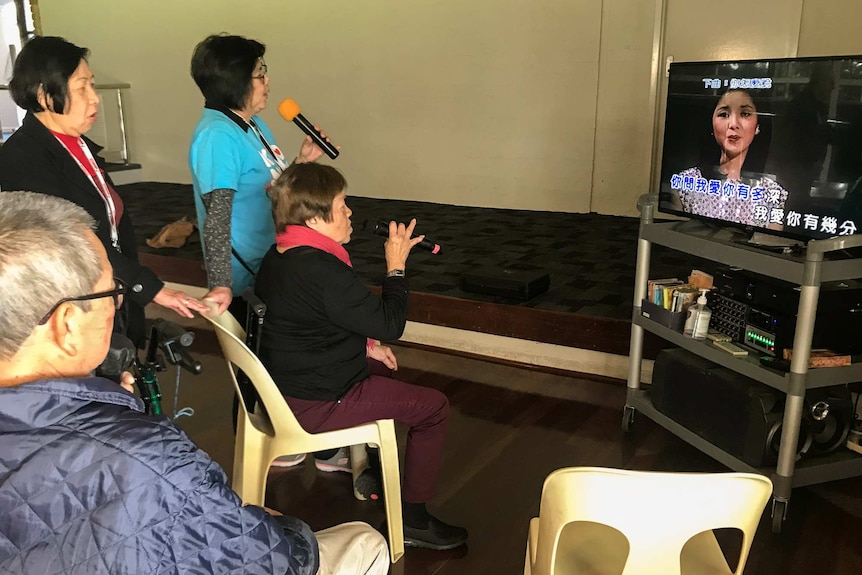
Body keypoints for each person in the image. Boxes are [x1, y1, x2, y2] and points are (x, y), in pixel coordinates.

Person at [0, 191, 389, 575]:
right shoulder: (145, 456)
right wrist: (284, 527)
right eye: (114, 293)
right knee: (365, 540)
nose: (118, 304)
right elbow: (269, 558)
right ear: (67, 325)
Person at [255, 163, 469, 551]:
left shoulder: (282, 254)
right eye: (342, 206)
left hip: (289, 381)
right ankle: (413, 520)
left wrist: (367, 345)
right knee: (433, 407)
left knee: (382, 361)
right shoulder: (322, 271)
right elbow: (390, 323)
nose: (350, 212)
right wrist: (397, 267)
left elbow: (310, 319)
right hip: (317, 399)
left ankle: (374, 468)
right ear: (317, 218)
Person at [0, 36, 209, 347]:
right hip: (71, 314)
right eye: (82, 87)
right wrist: (147, 287)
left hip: (109, 293)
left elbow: (109, 222)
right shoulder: (24, 156)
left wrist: (123, 283)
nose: (95, 98)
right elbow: (70, 239)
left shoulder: (78, 144)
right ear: (45, 96)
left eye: (92, 85)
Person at [188, 34, 330, 317]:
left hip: (271, 264)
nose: (267, 82)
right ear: (235, 81)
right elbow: (217, 216)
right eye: (259, 74)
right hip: (245, 282)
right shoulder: (217, 136)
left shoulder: (253, 124)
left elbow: (270, 188)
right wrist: (221, 284)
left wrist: (302, 162)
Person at [668, 88, 789, 230]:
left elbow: (770, 246)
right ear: (712, 124)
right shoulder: (686, 183)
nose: (733, 124)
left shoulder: (772, 192)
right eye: (724, 114)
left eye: (745, 114)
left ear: (757, 126)